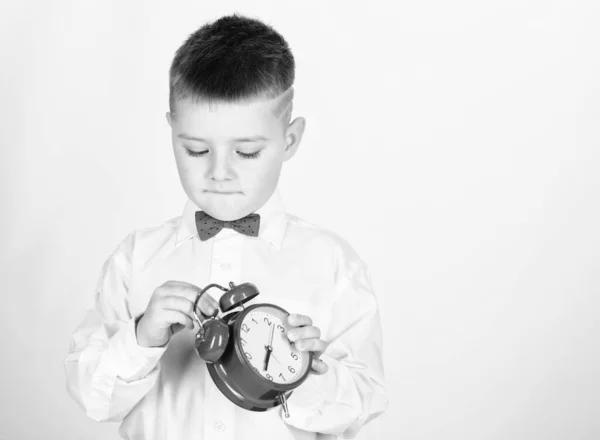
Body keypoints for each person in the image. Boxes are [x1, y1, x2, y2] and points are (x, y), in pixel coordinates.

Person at [64, 13, 387, 440]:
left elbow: (365, 402)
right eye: (197, 150)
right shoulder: (135, 259)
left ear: (289, 140)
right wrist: (141, 338)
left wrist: (304, 373)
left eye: (247, 153)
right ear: (173, 132)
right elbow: (94, 399)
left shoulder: (331, 264)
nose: (220, 173)